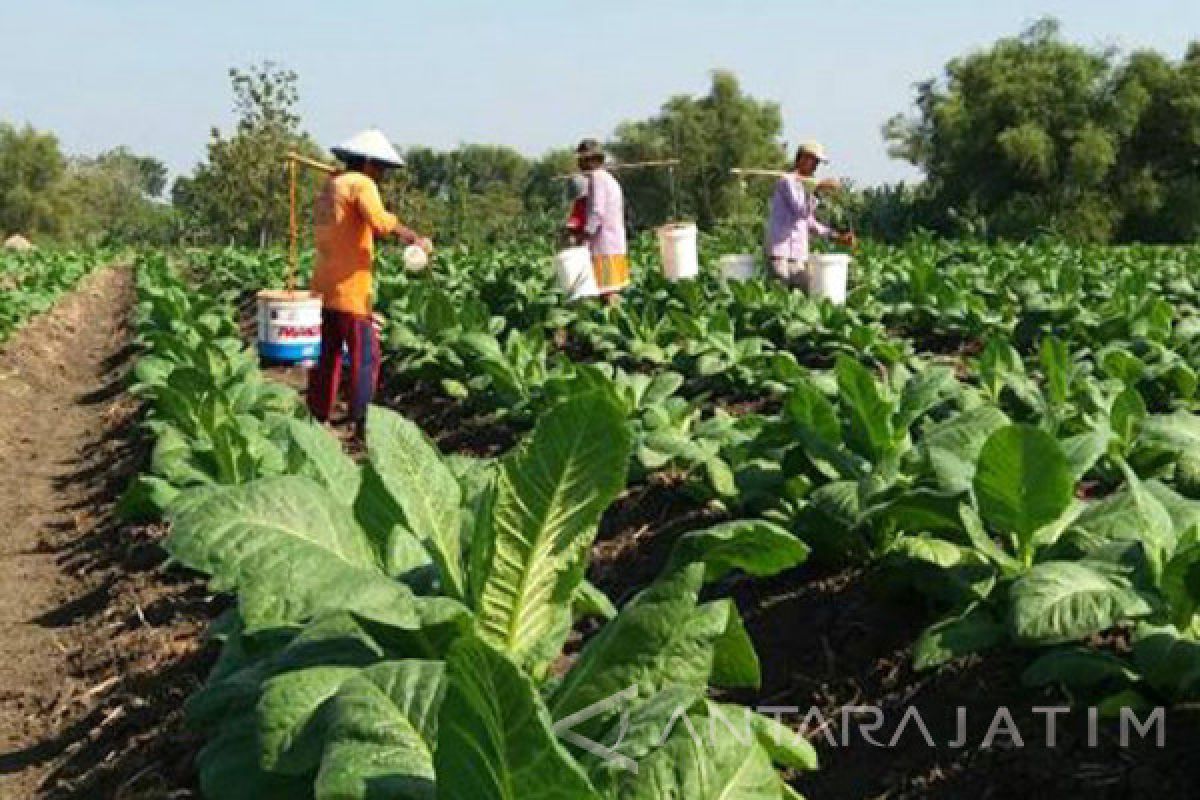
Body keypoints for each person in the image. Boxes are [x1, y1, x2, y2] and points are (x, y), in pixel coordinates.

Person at [307, 128, 433, 436]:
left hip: (326, 283)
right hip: (351, 289)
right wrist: (412, 237)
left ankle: (317, 414)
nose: (382, 176)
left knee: (330, 354)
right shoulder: (361, 184)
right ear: (365, 163)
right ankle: (361, 420)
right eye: (380, 168)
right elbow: (378, 221)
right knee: (366, 357)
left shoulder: (331, 185)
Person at [765, 141, 854, 290]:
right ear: (802, 159)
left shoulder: (805, 186)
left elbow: (810, 223)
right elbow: (800, 211)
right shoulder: (787, 181)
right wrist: (818, 190)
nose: (815, 167)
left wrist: (837, 236)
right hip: (781, 253)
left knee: (803, 290)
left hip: (797, 255)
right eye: (814, 161)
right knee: (780, 292)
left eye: (817, 163)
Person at [575, 139, 629, 298]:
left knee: (608, 292)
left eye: (583, 160)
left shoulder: (597, 178)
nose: (580, 164)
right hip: (614, 245)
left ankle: (614, 320)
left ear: (594, 161)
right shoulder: (608, 178)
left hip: (605, 247)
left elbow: (597, 211)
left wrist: (585, 235)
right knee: (611, 289)